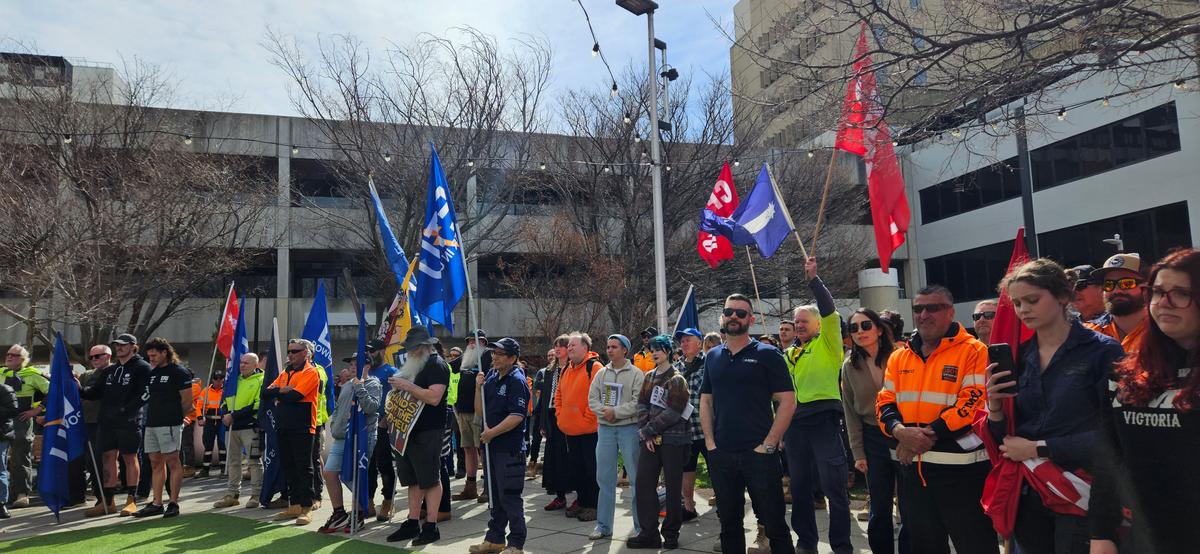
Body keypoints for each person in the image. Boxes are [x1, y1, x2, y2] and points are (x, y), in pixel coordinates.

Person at [982, 259, 1124, 554]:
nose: (1023, 310)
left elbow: (1114, 434)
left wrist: (1038, 448)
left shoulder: (1103, 350)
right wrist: (995, 408)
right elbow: (1004, 439)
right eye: (1017, 303)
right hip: (1028, 493)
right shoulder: (1018, 356)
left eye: (1032, 300)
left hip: (1082, 491)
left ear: (1062, 296)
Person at [1090, 248, 1200, 553]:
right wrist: (1101, 533)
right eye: (1158, 292)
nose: (1164, 302)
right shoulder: (1124, 373)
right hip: (1144, 537)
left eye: (1181, 293)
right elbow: (1110, 458)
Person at [876, 285, 998, 554]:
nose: (924, 314)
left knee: (976, 546)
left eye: (933, 308)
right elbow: (885, 402)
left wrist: (923, 435)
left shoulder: (974, 351)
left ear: (950, 312)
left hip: (963, 477)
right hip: (913, 475)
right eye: (918, 308)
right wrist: (900, 432)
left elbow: (972, 404)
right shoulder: (899, 356)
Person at [701, 293, 796, 554]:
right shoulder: (713, 356)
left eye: (741, 313)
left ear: (751, 320)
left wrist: (769, 443)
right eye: (729, 312)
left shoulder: (768, 354)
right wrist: (710, 443)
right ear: (722, 317)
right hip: (721, 454)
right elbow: (706, 401)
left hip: (759, 455)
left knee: (775, 526)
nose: (734, 317)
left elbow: (788, 401)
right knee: (729, 526)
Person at [782, 257, 852, 554]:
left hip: (824, 422)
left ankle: (841, 546)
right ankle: (806, 542)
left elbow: (830, 311)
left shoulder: (828, 343)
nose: (798, 325)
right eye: (796, 321)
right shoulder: (789, 354)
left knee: (834, 489)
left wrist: (814, 281)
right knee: (799, 490)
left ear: (818, 324)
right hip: (795, 427)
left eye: (804, 321)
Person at [842, 308, 907, 554]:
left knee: (909, 504)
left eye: (866, 325)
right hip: (872, 436)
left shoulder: (901, 356)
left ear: (879, 329)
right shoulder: (849, 365)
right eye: (854, 328)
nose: (860, 331)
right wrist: (858, 452)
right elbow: (850, 411)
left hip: (904, 434)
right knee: (879, 506)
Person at [384, 327, 450, 546]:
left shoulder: (437, 364)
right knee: (413, 479)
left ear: (423, 347)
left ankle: (431, 525)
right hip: (407, 430)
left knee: (430, 478)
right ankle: (412, 521)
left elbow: (434, 398)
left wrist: (407, 385)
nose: (409, 352)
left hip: (428, 429)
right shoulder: (418, 364)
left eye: (412, 348)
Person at [467, 337, 531, 554]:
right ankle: (494, 538)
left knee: (510, 496)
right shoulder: (491, 376)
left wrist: (492, 433)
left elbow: (517, 416)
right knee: (494, 496)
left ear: (512, 358)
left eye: (500, 354)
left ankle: (516, 543)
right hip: (491, 447)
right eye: (494, 353)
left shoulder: (516, 380)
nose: (494, 357)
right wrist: (478, 388)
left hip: (509, 449)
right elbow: (479, 411)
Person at [628, 335, 691, 549]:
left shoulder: (677, 379)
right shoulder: (649, 376)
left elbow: (674, 411)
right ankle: (649, 533)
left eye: (658, 349)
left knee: (673, 488)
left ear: (668, 351)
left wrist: (649, 430)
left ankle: (671, 533)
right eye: (652, 349)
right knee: (644, 484)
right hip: (650, 440)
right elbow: (641, 405)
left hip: (674, 440)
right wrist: (646, 433)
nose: (654, 353)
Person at [80, 334, 150, 517]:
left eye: (123, 345)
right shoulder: (110, 370)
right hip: (107, 422)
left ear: (133, 346)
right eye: (117, 345)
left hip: (129, 421)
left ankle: (131, 500)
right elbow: (94, 393)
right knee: (108, 458)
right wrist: (77, 387)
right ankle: (108, 502)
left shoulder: (142, 367)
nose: (119, 347)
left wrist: (128, 411)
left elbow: (145, 394)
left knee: (130, 458)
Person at [586, 333, 645, 540]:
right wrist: (605, 413)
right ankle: (603, 526)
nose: (610, 350)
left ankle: (640, 526)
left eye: (614, 347)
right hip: (605, 430)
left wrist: (616, 412)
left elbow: (638, 402)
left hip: (629, 429)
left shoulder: (636, 374)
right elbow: (592, 399)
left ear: (625, 350)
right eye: (608, 347)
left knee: (636, 478)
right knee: (604, 478)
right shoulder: (601, 373)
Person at [262, 338, 322, 526]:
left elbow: (297, 395)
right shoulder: (285, 372)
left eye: (294, 351)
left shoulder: (310, 372)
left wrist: (279, 393)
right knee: (288, 466)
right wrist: (283, 390)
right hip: (283, 425)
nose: (290, 354)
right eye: (289, 351)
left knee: (304, 467)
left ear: (305, 353)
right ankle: (294, 505)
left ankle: (306, 507)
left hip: (303, 426)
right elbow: (265, 393)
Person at [132, 337, 194, 519]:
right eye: (149, 356)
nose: (150, 359)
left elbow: (187, 401)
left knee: (173, 462)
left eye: (154, 355)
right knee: (155, 462)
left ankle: (173, 503)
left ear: (164, 352)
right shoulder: (153, 373)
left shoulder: (179, 372)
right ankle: (157, 503)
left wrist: (176, 420)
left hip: (170, 424)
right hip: (152, 424)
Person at [318, 365, 382, 533]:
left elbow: (371, 407)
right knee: (329, 473)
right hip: (341, 438)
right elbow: (339, 407)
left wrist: (359, 387)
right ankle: (339, 513)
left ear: (367, 366)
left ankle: (358, 514)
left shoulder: (373, 383)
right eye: (351, 364)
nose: (353, 367)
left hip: (361, 437)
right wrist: (335, 424)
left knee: (356, 475)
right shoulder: (347, 384)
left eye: (356, 363)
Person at [553, 332, 602, 521]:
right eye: (569, 345)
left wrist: (586, 419)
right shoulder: (566, 368)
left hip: (590, 431)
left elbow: (599, 397)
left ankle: (594, 506)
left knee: (592, 469)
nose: (570, 348)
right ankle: (582, 502)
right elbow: (558, 395)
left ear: (585, 348)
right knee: (577, 469)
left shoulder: (595, 367)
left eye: (573, 345)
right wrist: (560, 416)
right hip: (570, 430)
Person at [213, 353, 265, 509]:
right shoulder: (233, 380)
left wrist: (233, 416)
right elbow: (224, 402)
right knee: (233, 462)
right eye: (241, 362)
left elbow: (257, 405)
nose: (242, 365)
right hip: (231, 427)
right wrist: (224, 415)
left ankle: (256, 495)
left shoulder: (261, 380)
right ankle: (232, 494)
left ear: (256, 365)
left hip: (249, 427)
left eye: (246, 363)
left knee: (254, 462)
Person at [1, 344, 48, 510]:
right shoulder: (1, 373)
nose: (9, 357)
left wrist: (37, 410)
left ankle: (22, 494)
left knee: (21, 457)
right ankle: (5, 497)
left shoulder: (33, 374)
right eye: (8, 354)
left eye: (13, 355)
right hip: (2, 421)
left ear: (23, 359)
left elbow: (53, 391)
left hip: (22, 420)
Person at [359, 339, 399, 521]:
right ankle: (368, 500)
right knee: (367, 465)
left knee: (384, 464)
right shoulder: (364, 371)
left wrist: (387, 419)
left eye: (373, 351)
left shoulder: (391, 372)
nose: (369, 354)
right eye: (367, 351)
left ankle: (388, 500)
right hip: (365, 425)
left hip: (383, 426)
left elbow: (398, 397)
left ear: (383, 351)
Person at [451, 331, 491, 502]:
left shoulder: (488, 356)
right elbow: (448, 367)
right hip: (462, 410)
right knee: (468, 448)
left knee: (482, 449)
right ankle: (470, 486)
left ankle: (488, 487)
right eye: (469, 341)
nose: (472, 344)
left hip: (479, 411)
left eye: (476, 341)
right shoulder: (464, 359)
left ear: (484, 342)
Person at [1086, 253, 1149, 353]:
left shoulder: (1164, 330)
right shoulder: (1089, 333)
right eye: (1108, 284)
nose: (1116, 291)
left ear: (1146, 288)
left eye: (1127, 283)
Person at [676, 327, 707, 521]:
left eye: (688, 340)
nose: (684, 343)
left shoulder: (710, 363)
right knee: (686, 468)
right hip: (685, 428)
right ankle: (688, 506)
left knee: (716, 468)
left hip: (707, 427)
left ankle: (724, 504)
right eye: (682, 341)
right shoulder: (675, 367)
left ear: (699, 343)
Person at [196, 370, 227, 478]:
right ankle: (205, 470)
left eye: (221, 379)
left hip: (222, 422)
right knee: (208, 445)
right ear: (212, 380)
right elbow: (199, 406)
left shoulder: (226, 391)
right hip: (209, 422)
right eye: (216, 379)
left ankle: (224, 469)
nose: (218, 381)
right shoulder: (205, 391)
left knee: (222, 445)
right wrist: (200, 418)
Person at [0, 375, 16, 518]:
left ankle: (1, 504)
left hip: (1, 435)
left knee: (0, 470)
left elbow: (12, 410)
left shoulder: (5, 389)